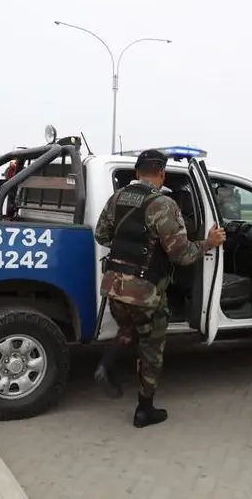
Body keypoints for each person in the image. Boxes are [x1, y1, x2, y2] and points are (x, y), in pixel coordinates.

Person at [92, 149, 226, 427]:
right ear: (162, 173)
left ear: (137, 172)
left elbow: (102, 235)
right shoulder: (163, 205)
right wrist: (209, 243)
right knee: (152, 348)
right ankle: (145, 409)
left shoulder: (117, 198)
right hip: (144, 291)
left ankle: (107, 364)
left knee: (127, 330)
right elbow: (182, 254)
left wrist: (133, 250)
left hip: (114, 286)